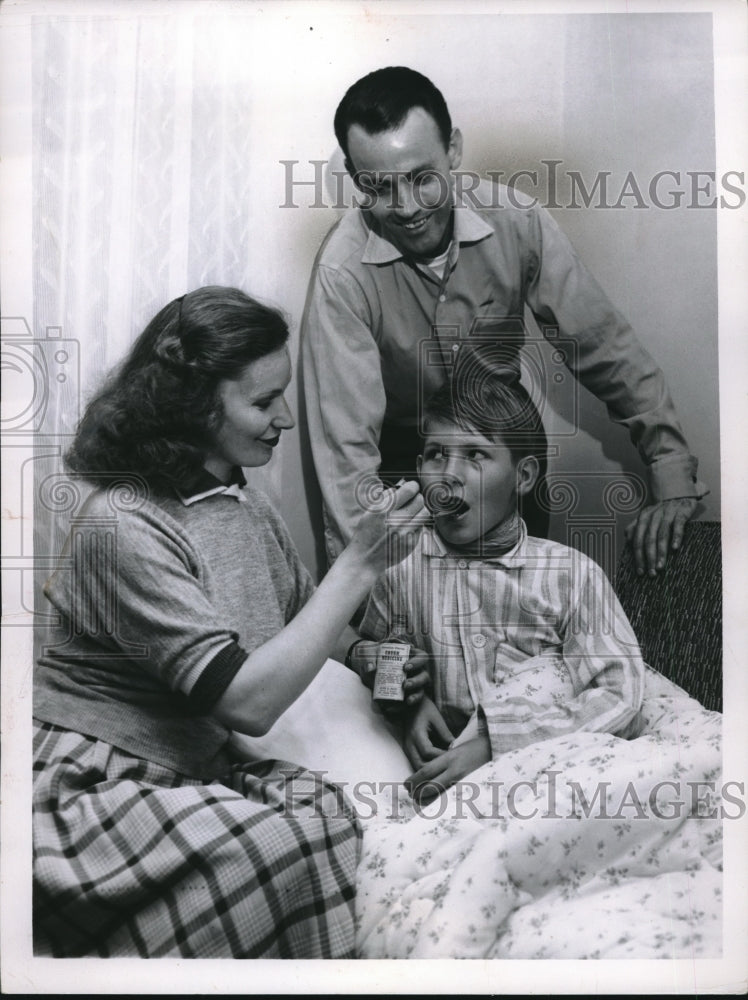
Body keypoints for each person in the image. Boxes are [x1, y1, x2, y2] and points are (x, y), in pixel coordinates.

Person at [32, 286, 430, 958]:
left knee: (332, 817)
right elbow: (247, 704)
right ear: (194, 405)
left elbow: (306, 619)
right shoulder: (123, 523)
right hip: (94, 781)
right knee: (277, 845)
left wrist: (367, 658)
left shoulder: (238, 501)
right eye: (263, 401)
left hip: (188, 766)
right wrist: (361, 563)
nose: (285, 419)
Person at [301, 65, 707, 580]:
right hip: (405, 468)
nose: (405, 209)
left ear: (453, 152)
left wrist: (671, 470)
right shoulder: (342, 272)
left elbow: (604, 347)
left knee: (524, 620)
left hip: (509, 454)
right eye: (378, 188)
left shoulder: (519, 220)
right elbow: (346, 455)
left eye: (423, 178)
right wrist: (368, 602)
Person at [352, 345, 649, 804]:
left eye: (475, 455)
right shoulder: (399, 569)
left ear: (524, 476)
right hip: (453, 783)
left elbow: (619, 697)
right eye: (435, 454)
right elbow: (384, 652)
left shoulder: (570, 575)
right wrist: (404, 703)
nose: (448, 476)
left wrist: (496, 744)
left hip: (552, 772)